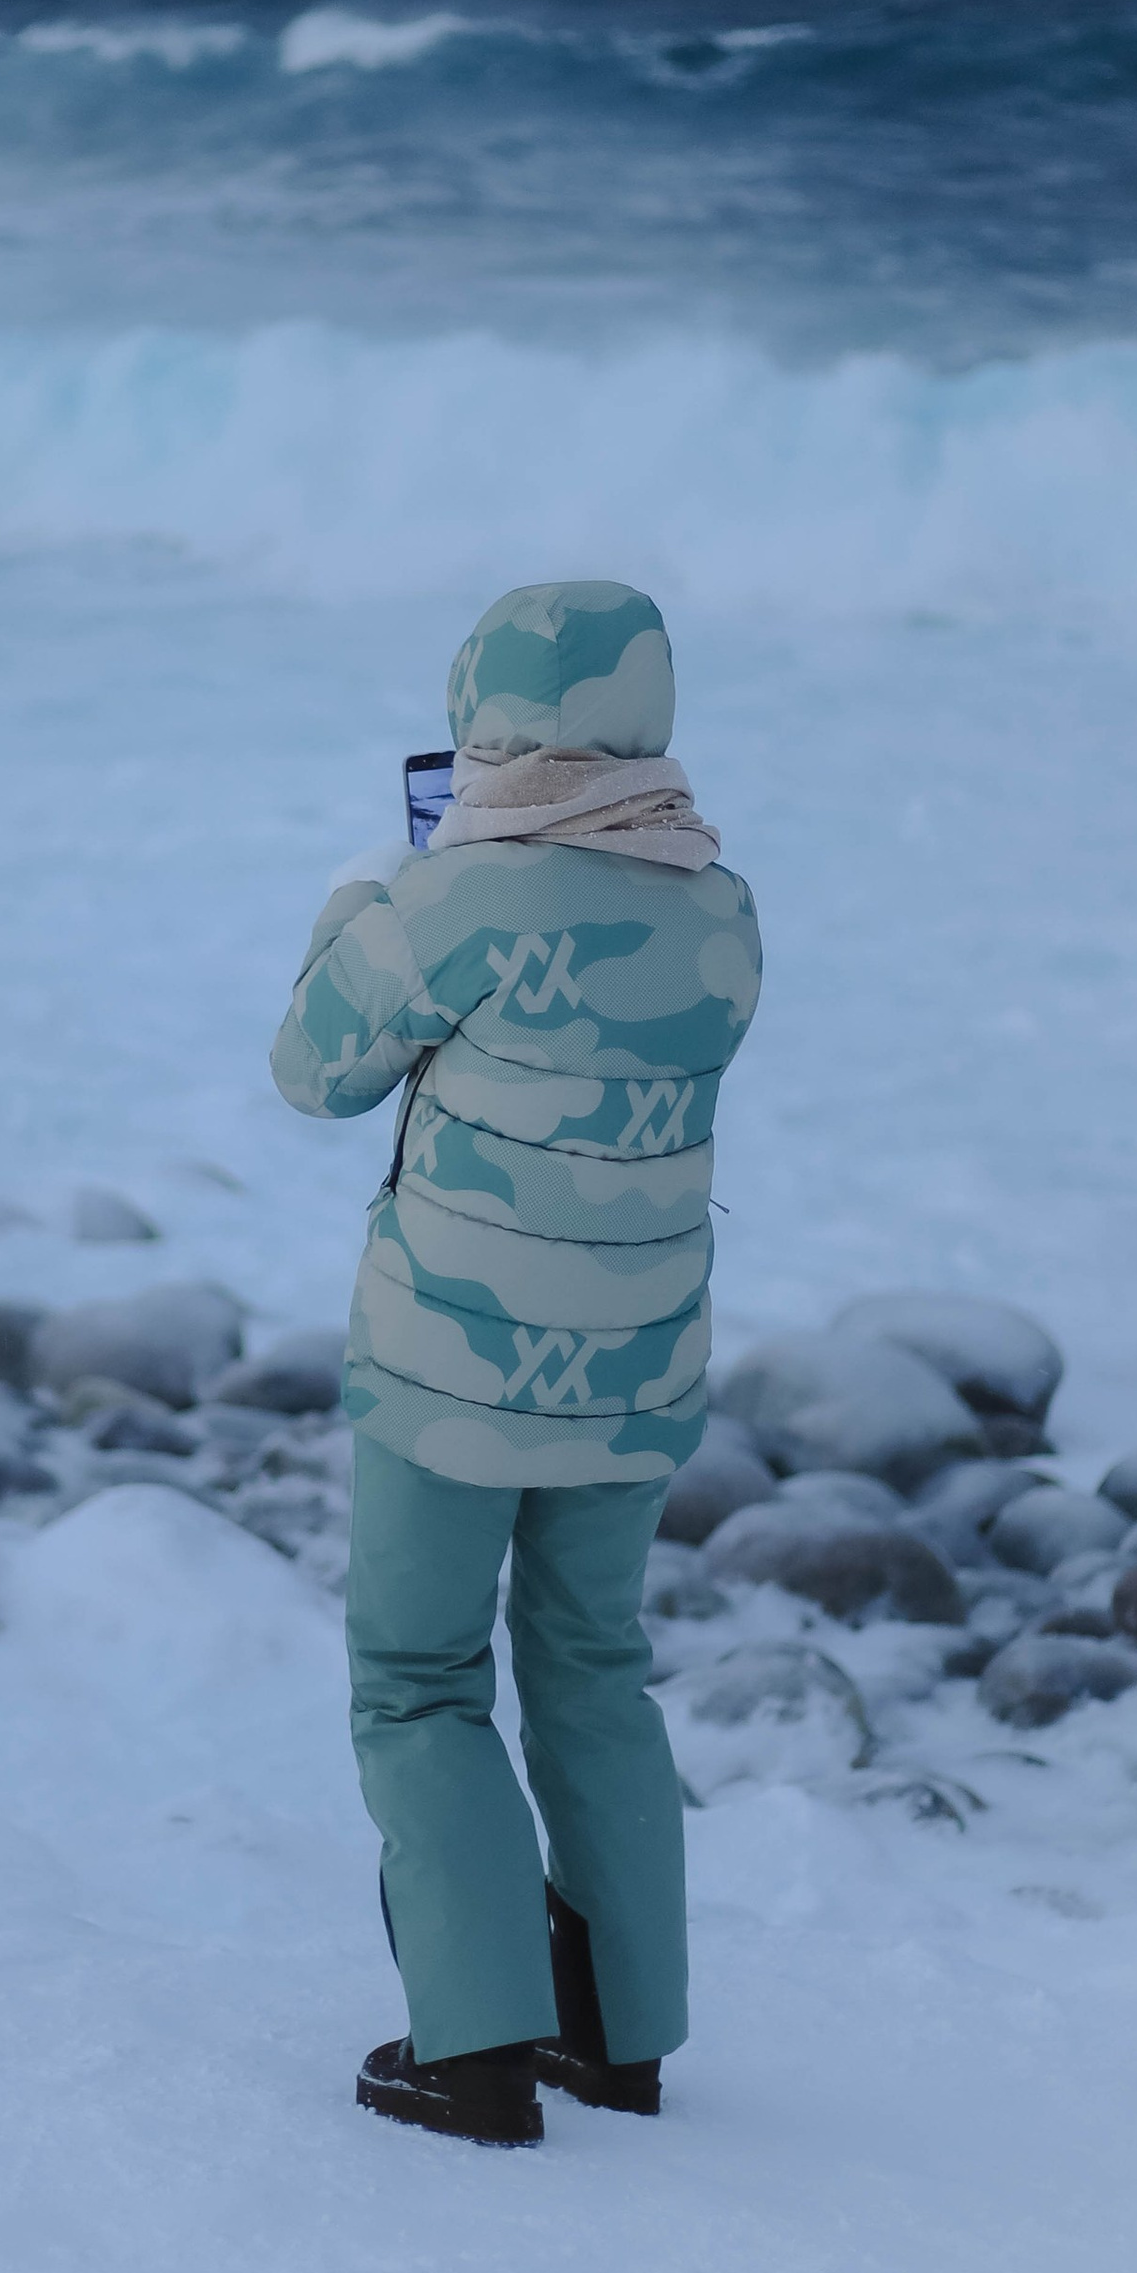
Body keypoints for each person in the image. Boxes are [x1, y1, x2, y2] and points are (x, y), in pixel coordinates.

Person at [271, 580, 762, 2146]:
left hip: (447, 1374)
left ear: (486, 718)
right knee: (594, 1670)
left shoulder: (456, 899)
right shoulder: (722, 908)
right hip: (633, 1374)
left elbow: (313, 1071)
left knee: (418, 1683)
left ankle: (475, 2047)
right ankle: (621, 2039)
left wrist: (366, 894)